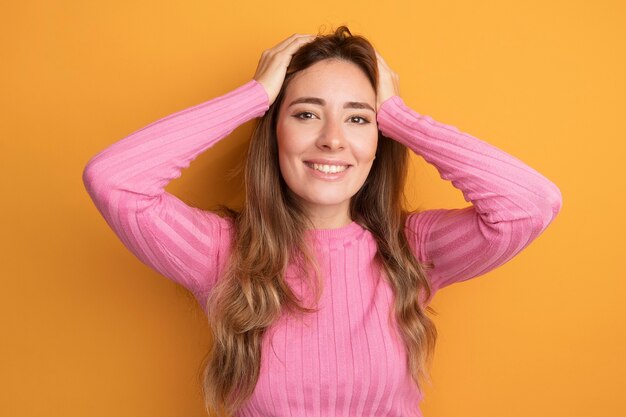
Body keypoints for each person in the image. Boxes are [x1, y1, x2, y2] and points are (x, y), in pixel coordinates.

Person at [82, 26, 562, 417]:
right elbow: (115, 181)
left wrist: (400, 116)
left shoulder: (410, 249)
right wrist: (252, 97)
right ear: (274, 132)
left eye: (358, 119)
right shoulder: (223, 252)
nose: (333, 140)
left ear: (380, 139)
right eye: (307, 114)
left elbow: (531, 204)